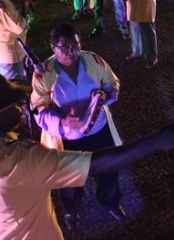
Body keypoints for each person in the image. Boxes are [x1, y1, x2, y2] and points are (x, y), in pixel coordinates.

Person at [0, 73, 174, 239]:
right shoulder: (22, 162)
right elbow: (95, 163)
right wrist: (154, 142)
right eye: (14, 106)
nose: (21, 109)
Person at [30, 24, 124, 228]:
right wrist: (62, 121)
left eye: (75, 45)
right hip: (67, 138)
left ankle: (111, 202)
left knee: (109, 171)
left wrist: (105, 96)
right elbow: (38, 109)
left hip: (99, 130)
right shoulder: (43, 74)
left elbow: (112, 82)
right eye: (64, 47)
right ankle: (71, 211)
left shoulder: (94, 60)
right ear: (53, 48)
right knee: (71, 182)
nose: (71, 51)